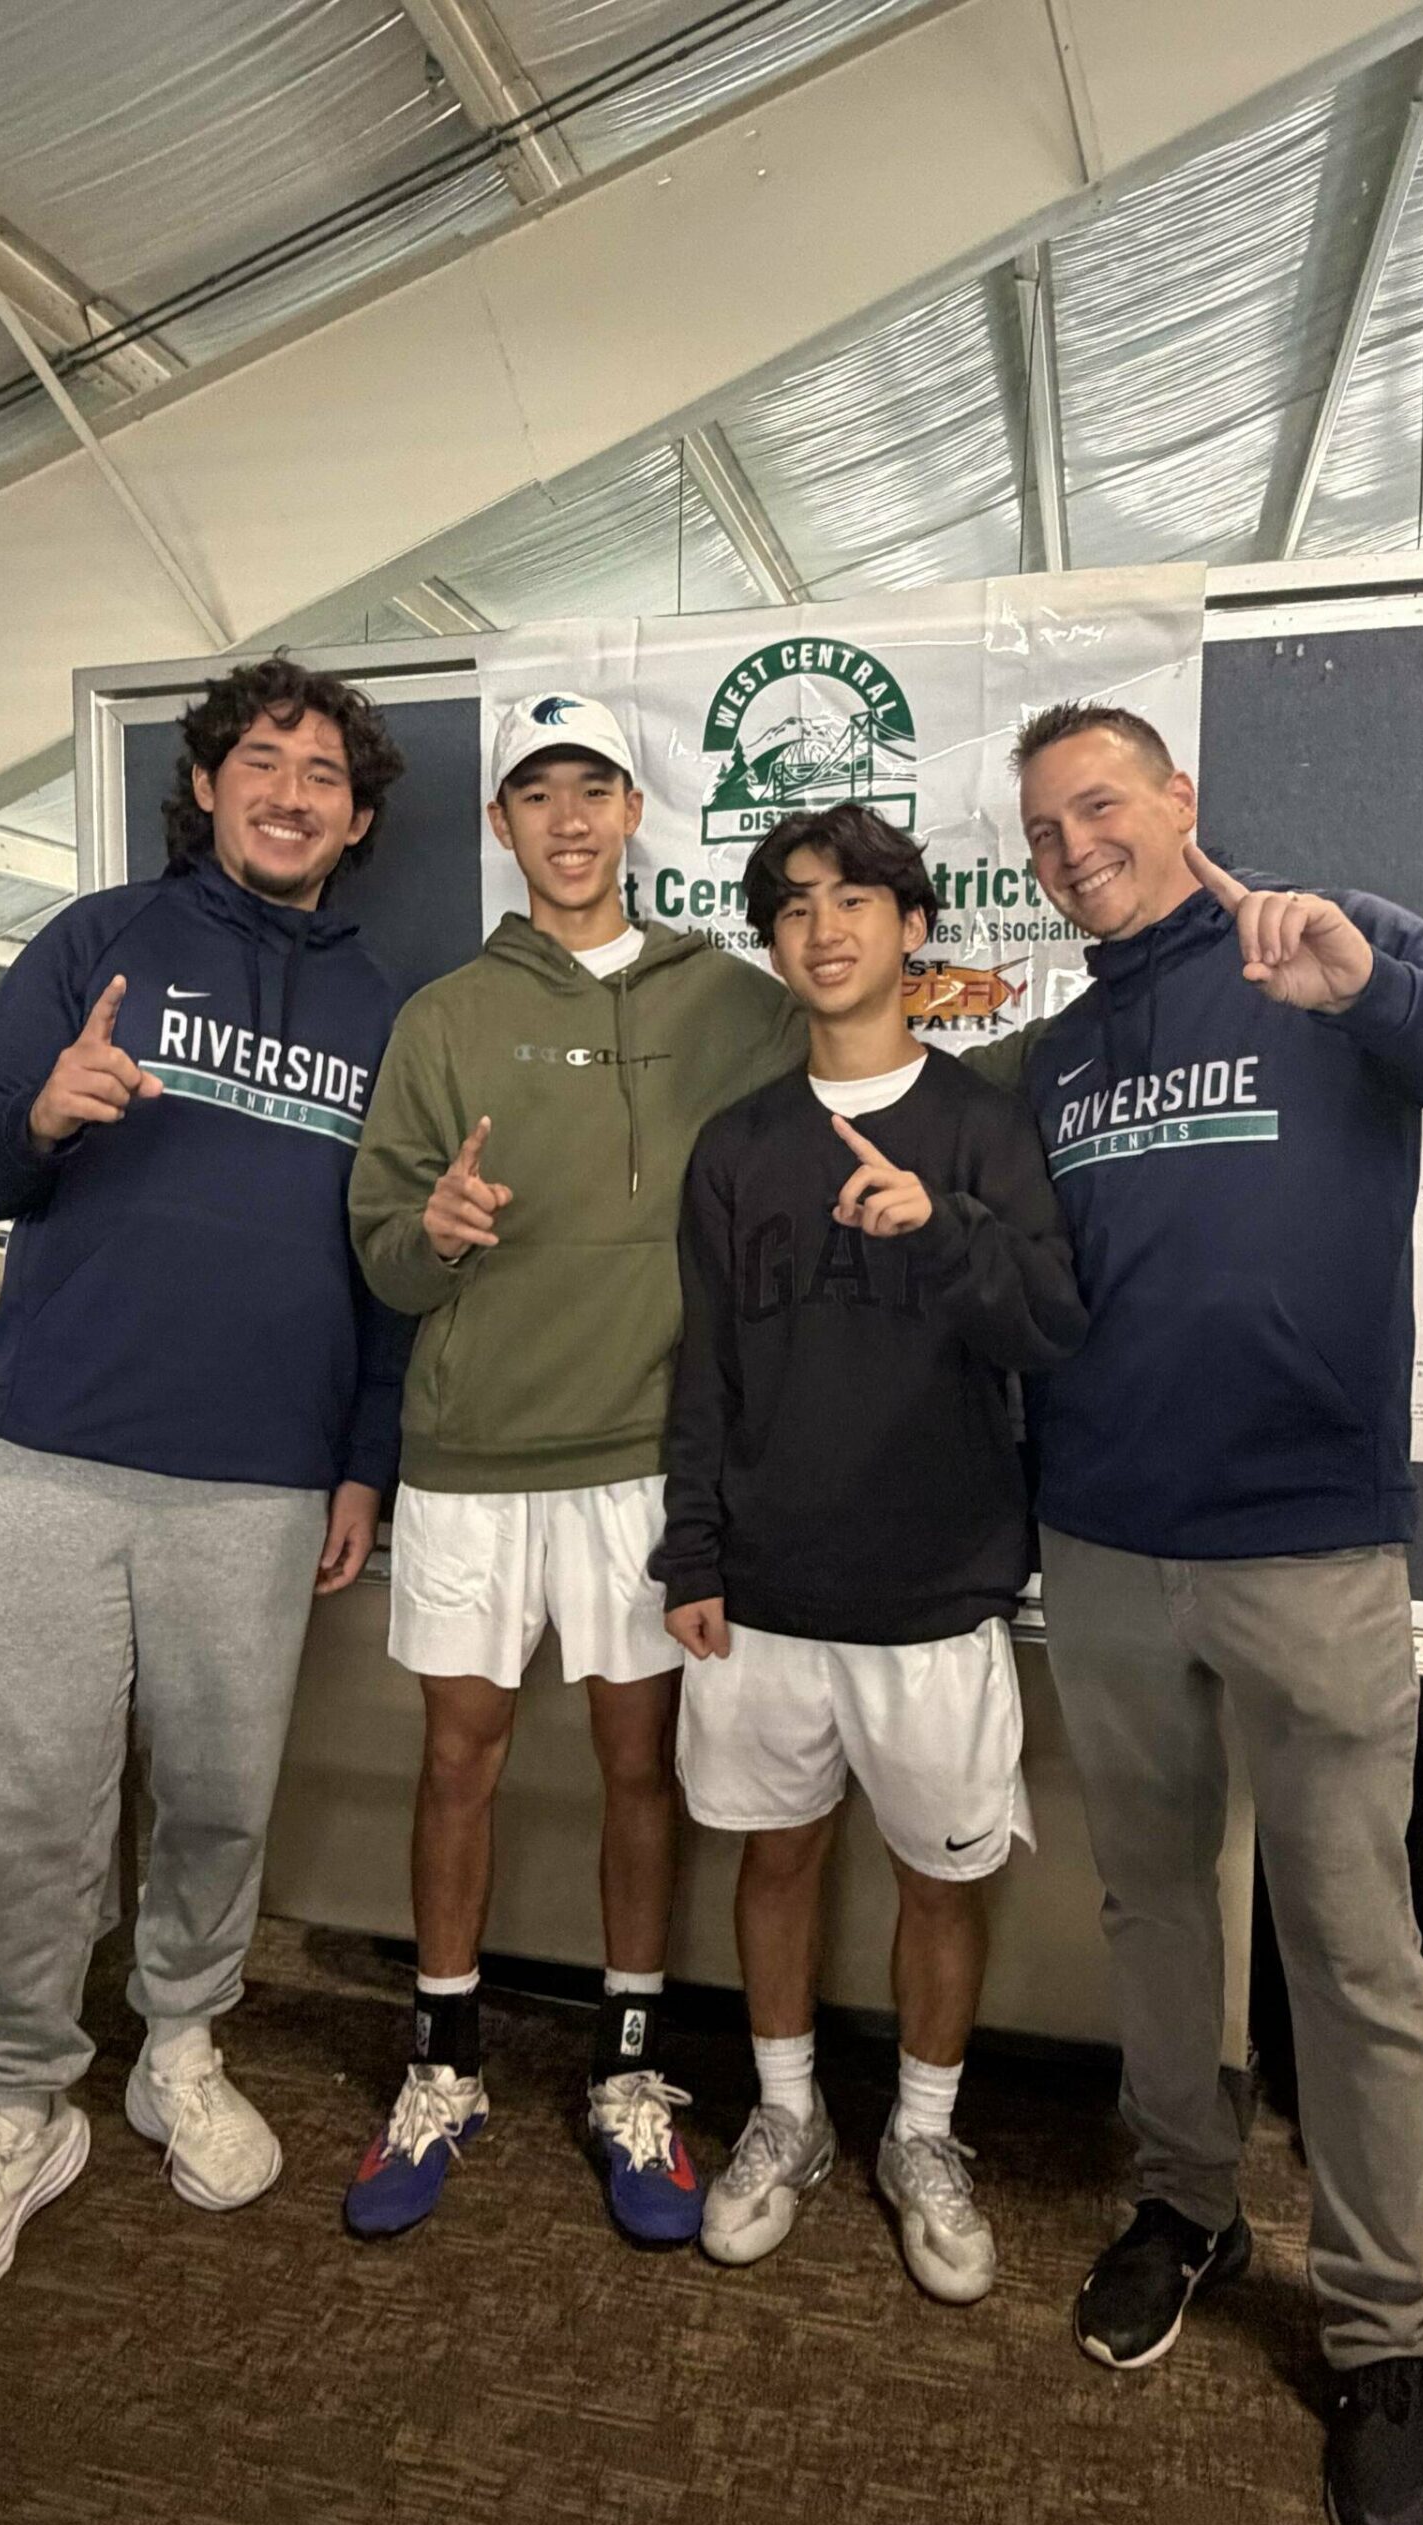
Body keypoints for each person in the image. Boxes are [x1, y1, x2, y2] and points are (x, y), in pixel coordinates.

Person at [1002, 699, 1423, 2525]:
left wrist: (1377, 996)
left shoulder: (1332, 946)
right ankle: (1189, 2203)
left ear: (1182, 798)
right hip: (1103, 1553)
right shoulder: (1054, 1060)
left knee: (1355, 1952)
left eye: (1100, 802)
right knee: (1155, 1909)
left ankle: (1388, 2336)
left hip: (1313, 1552)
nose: (1073, 843)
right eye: (1041, 829)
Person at [0, 656, 408, 2314]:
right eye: (264, 760)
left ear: (359, 815)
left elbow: (385, 1264)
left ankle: (178, 2043)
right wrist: (39, 1109)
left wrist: (359, 1462)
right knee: (32, 1800)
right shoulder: (94, 943)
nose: (291, 790)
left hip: (258, 1480)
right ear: (206, 786)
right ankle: (20, 2103)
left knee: (220, 1795)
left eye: (323, 772)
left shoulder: (387, 1004)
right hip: (53, 1449)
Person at [344, 692, 804, 2245]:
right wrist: (434, 1233)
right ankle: (444, 2056)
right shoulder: (443, 1016)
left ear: (634, 811)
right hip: (471, 1460)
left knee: (636, 1770)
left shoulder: (732, 1001)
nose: (567, 815)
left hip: (642, 1462)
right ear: (502, 828)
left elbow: (872, 1072)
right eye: (534, 791)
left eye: (594, 785)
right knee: (459, 1759)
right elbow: (383, 1257)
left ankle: (628, 2070)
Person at [653, 804, 1086, 2299]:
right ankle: (786, 2119)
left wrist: (942, 1225)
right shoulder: (736, 1146)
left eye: (853, 900)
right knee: (775, 1862)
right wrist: (692, 1550)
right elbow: (703, 1367)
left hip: (936, 1589)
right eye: (790, 908)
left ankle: (921, 2136)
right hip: (765, 1590)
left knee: (938, 1881)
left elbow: (1048, 1329)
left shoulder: (985, 1125)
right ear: (771, 948)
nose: (823, 928)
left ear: (913, 928)